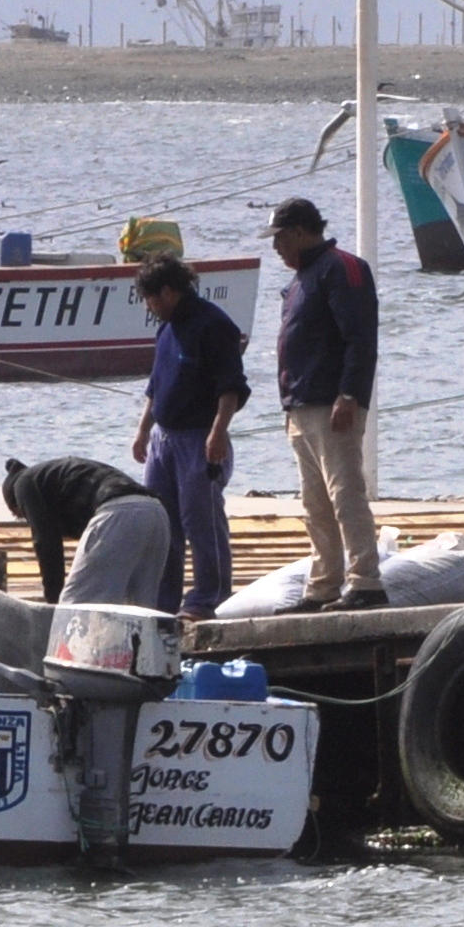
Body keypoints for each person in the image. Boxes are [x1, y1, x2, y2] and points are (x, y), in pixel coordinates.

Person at [268, 195, 386, 610]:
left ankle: (366, 581)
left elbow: (360, 336)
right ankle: (323, 585)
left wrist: (349, 393)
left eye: (280, 238)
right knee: (314, 503)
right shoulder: (303, 276)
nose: (275, 247)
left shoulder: (342, 267)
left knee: (344, 494)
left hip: (332, 402)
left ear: (301, 232)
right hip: (300, 404)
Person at [131, 257, 249, 620]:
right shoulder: (166, 329)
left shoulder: (213, 325)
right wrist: (142, 429)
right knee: (163, 524)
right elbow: (156, 384)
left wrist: (218, 432)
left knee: (202, 521)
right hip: (164, 440)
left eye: (150, 299)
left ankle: (208, 597)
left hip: (199, 437)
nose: (149, 307)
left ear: (168, 292)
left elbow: (231, 387)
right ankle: (164, 602)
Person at [1, 454, 173, 611]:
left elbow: (46, 543)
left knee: (77, 607)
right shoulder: (53, 478)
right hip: (156, 512)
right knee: (139, 610)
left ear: (14, 502)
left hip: (118, 512)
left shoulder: (23, 484)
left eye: (21, 516)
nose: (25, 519)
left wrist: (54, 604)